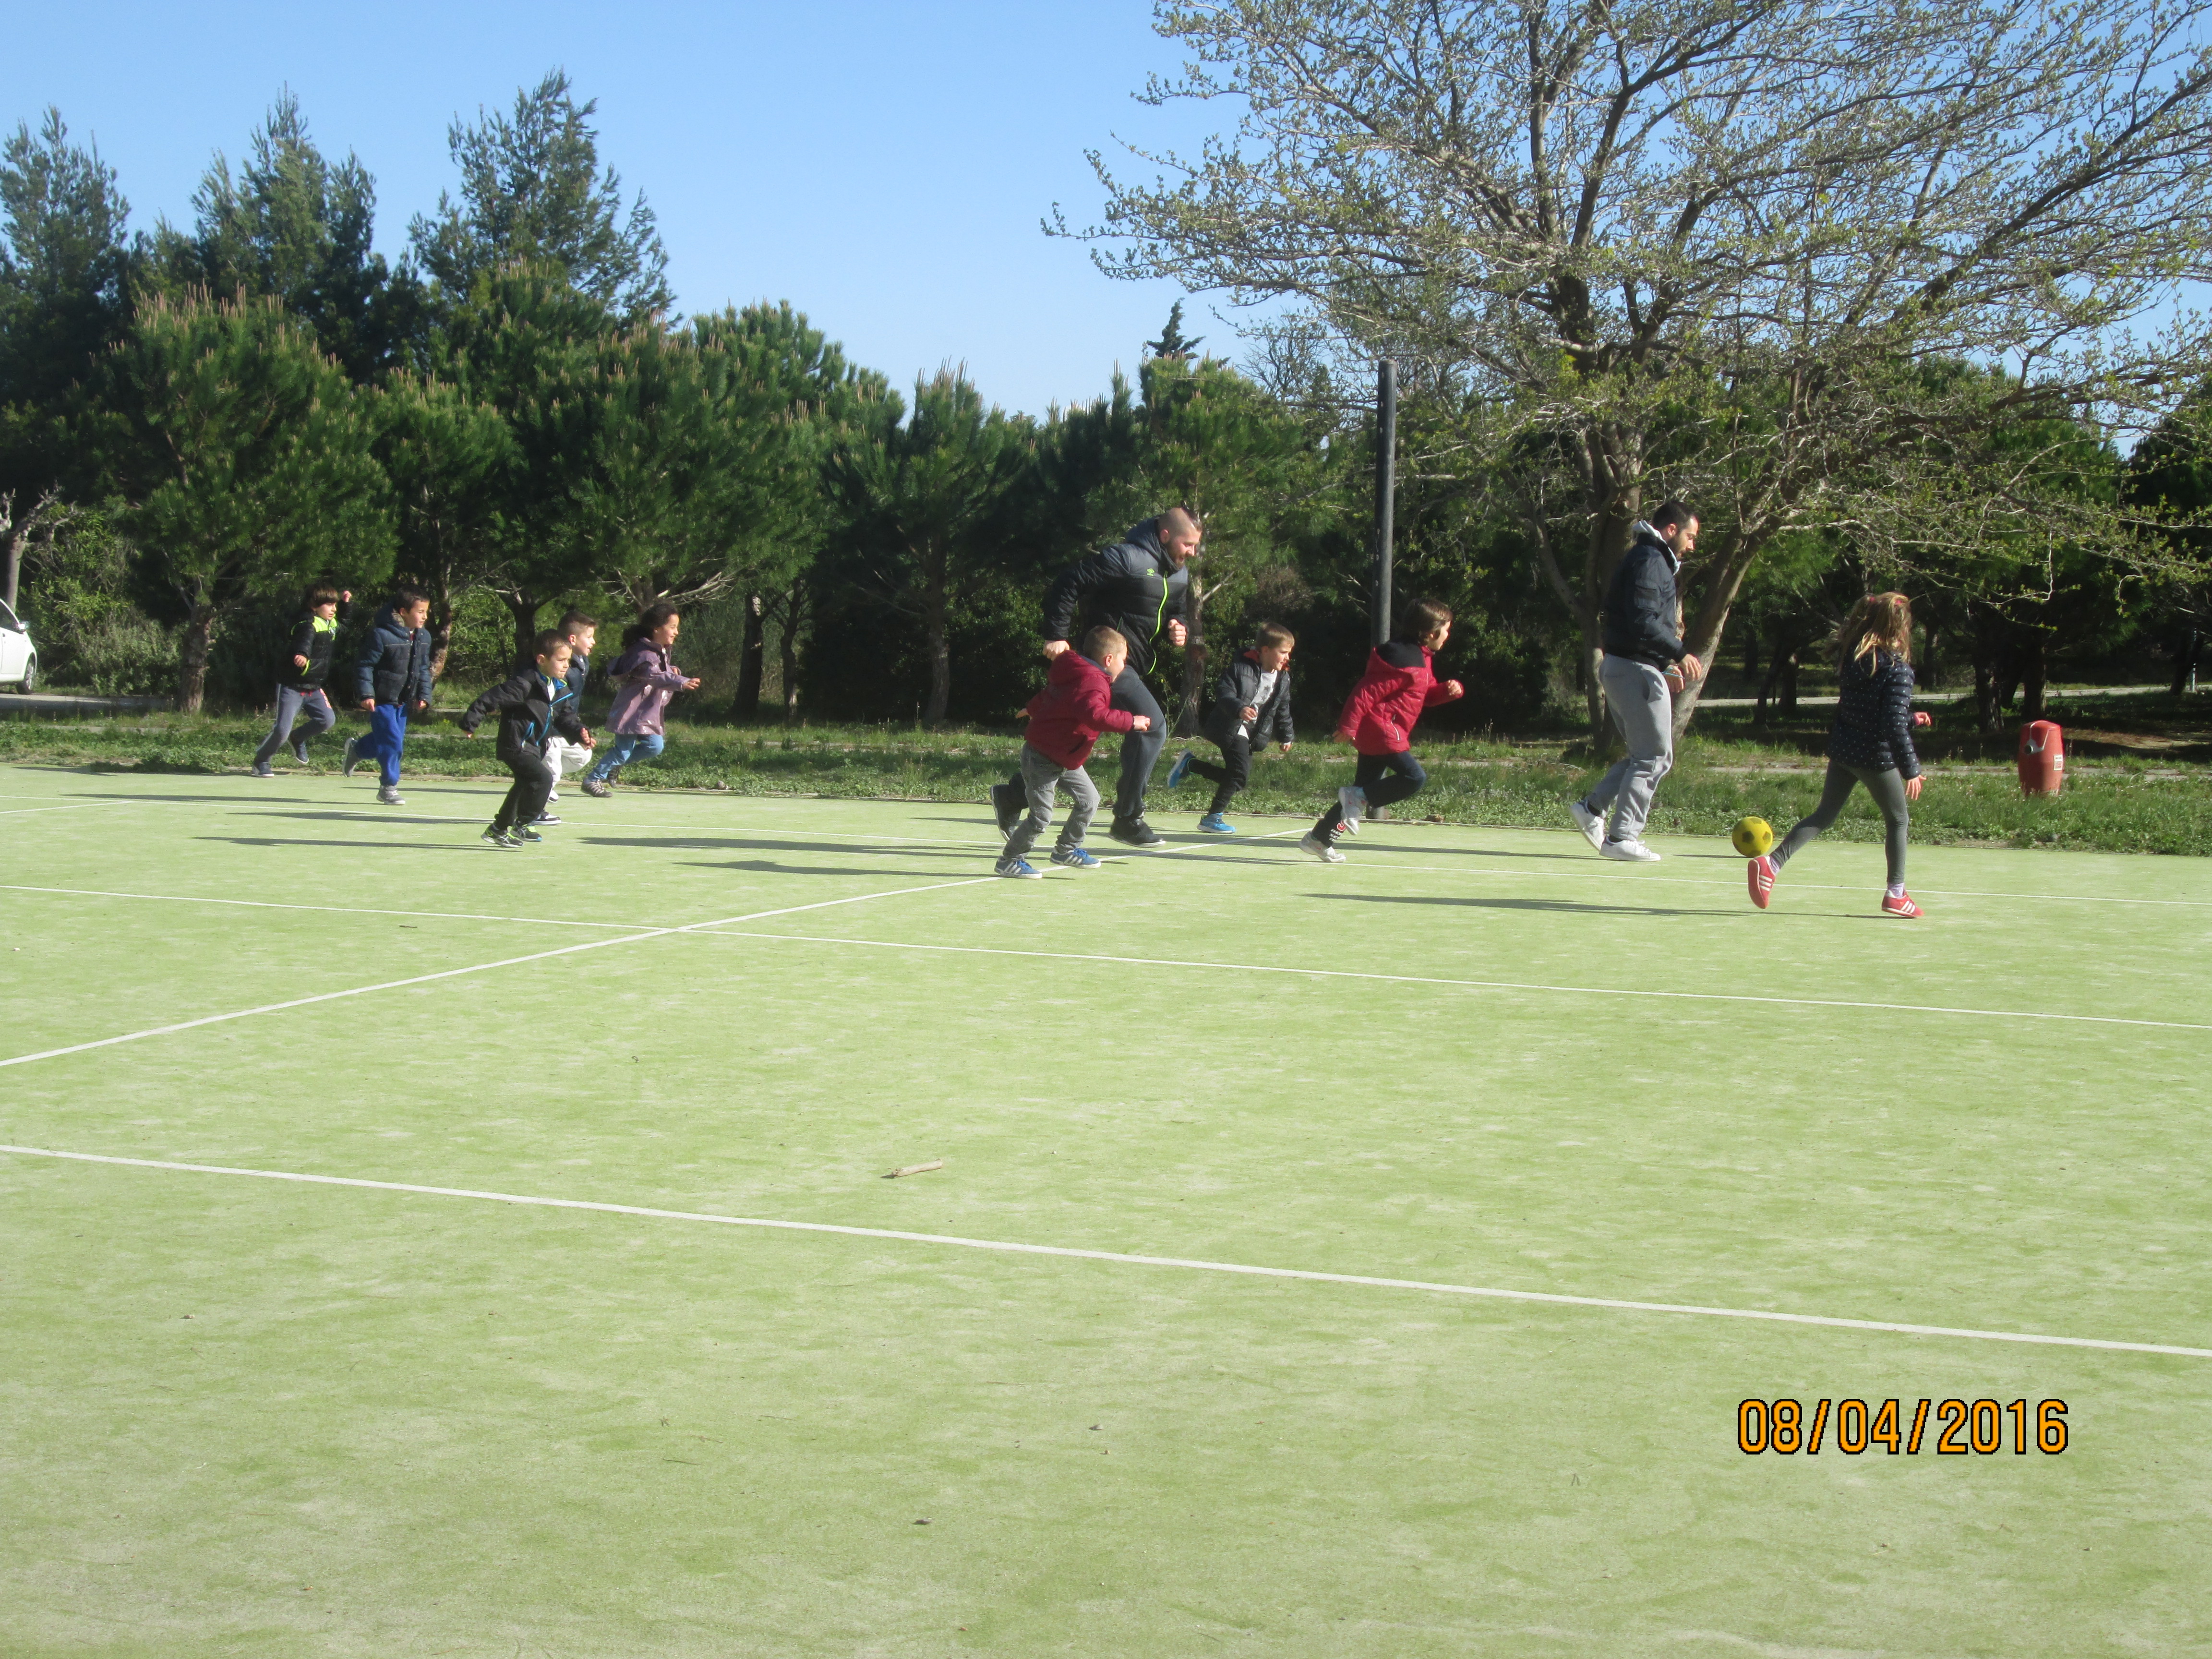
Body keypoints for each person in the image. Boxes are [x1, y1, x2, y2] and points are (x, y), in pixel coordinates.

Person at [992, 507, 1199, 847]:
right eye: (1187, 544)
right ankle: (1128, 819)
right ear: (1165, 536)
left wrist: (1179, 626)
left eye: (1195, 546)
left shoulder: (1180, 573)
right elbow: (1069, 582)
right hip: (1104, 665)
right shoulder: (1126, 558)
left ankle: (1012, 796)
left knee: (1070, 739)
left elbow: (1174, 609)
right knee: (1152, 728)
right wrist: (1056, 634)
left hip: (1131, 664)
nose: (1192, 552)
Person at [1748, 592, 1934, 917]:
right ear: (1901, 628)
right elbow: (1890, 725)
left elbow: (1874, 713)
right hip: (1875, 757)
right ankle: (1896, 894)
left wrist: (1911, 719)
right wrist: (1911, 769)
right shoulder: (1898, 670)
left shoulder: (1854, 659)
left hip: (1845, 750)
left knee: (1824, 815)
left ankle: (1771, 865)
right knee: (1898, 819)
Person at [1569, 503, 1707, 863]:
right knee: (1654, 757)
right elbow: (1644, 621)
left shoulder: (1649, 558)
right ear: (1671, 529)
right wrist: (1679, 654)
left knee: (1643, 755)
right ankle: (1622, 838)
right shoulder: (1650, 560)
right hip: (1634, 670)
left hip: (1628, 666)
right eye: (1690, 536)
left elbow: (1639, 623)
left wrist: (1664, 664)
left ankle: (1592, 808)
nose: (1692, 545)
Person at [1300, 598, 1463, 863]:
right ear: (1432, 633)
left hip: (1381, 731)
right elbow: (1365, 692)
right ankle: (1357, 799)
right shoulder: (1404, 660)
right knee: (1414, 778)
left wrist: (1446, 691)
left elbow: (1425, 695)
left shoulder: (1421, 658)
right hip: (1382, 729)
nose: (1448, 635)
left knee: (1359, 792)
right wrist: (1348, 725)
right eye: (1447, 629)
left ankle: (1320, 839)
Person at [997, 625, 1147, 878]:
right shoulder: (1093, 681)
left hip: (1066, 756)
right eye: (1123, 660)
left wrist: (1032, 708)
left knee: (1089, 801)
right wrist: (1131, 721)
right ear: (1109, 659)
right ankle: (1009, 860)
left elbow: (1053, 694)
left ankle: (1066, 849)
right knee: (1041, 817)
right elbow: (1096, 716)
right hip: (1043, 757)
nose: (1124, 665)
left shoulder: (1077, 672)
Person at [462, 628, 592, 847]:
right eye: (561, 660)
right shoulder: (523, 685)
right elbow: (488, 699)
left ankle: (498, 829)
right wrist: (470, 723)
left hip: (534, 747)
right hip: (516, 745)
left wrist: (579, 733)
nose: (566, 665)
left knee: (523, 785)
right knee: (544, 778)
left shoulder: (558, 688)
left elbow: (565, 717)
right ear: (542, 660)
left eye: (568, 661)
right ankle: (524, 823)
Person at [1163, 621, 1295, 833]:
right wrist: (1240, 709)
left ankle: (1191, 765)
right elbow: (1224, 693)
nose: (1287, 657)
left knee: (1239, 780)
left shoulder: (1283, 678)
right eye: (1283, 652)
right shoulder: (1241, 669)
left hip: (1251, 732)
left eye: (1289, 653)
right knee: (1239, 774)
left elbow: (1282, 708)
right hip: (1230, 725)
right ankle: (1212, 818)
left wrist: (1286, 736)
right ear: (1265, 650)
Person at [578, 603, 698, 796]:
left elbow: (660, 672)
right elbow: (655, 676)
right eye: (673, 627)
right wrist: (681, 682)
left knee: (654, 747)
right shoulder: (644, 654)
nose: (676, 632)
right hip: (631, 711)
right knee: (623, 751)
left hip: (646, 712)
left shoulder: (658, 650)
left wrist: (672, 670)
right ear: (657, 629)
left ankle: (614, 766)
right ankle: (593, 779)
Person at [342, 589, 433, 805]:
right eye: (420, 612)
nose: (425, 616)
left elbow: (423, 669)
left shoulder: (424, 637)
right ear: (403, 612)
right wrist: (367, 694)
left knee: (387, 739)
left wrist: (423, 694)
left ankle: (357, 749)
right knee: (393, 742)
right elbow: (365, 666)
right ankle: (388, 787)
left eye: (426, 612)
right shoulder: (381, 635)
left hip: (403, 700)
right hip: (382, 700)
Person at [250, 585, 351, 776]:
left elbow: (343, 624)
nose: (334, 609)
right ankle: (261, 761)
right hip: (292, 686)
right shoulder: (308, 624)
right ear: (314, 605)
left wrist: (346, 605)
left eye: (335, 605)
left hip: (314, 687)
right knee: (282, 731)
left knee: (327, 720)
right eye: (329, 605)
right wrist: (302, 654)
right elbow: (304, 641)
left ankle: (297, 738)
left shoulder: (330, 624)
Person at [535, 610, 597, 822]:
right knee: (552, 772)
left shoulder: (582, 663)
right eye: (589, 637)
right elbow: (556, 702)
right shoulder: (561, 668)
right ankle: (534, 812)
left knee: (582, 755)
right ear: (573, 639)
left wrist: (578, 729)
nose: (593, 642)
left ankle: (536, 781)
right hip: (549, 729)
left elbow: (570, 706)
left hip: (563, 728)